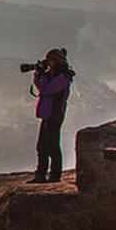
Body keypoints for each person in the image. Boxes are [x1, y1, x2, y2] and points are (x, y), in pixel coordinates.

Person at [29, 47, 74, 183]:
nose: (48, 63)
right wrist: (42, 76)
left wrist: (41, 77)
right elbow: (44, 89)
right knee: (42, 146)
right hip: (47, 114)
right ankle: (41, 175)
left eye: (50, 60)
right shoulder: (53, 75)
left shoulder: (61, 77)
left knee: (52, 146)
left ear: (56, 61)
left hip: (54, 115)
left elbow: (47, 89)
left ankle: (55, 175)